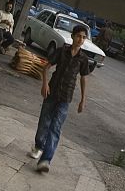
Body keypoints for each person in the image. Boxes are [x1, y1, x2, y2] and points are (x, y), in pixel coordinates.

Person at [28, 24, 90, 173]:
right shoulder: (61, 52)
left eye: (83, 37)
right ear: (73, 36)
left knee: (55, 128)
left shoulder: (83, 59)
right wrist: (44, 84)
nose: (80, 39)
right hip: (52, 91)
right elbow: (46, 67)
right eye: (78, 36)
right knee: (44, 121)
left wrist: (83, 99)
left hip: (66, 97)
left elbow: (83, 78)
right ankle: (38, 146)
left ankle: (45, 160)